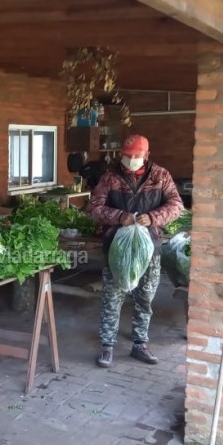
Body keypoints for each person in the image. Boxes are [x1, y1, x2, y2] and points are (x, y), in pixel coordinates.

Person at [86, 134, 183, 369]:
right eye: (127, 156)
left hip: (150, 246)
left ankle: (140, 344)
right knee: (112, 297)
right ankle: (107, 345)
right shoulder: (110, 177)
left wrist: (153, 218)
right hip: (117, 248)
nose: (131, 160)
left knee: (145, 297)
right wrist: (120, 217)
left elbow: (176, 205)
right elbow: (94, 207)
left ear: (146, 155)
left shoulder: (160, 176)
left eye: (136, 156)